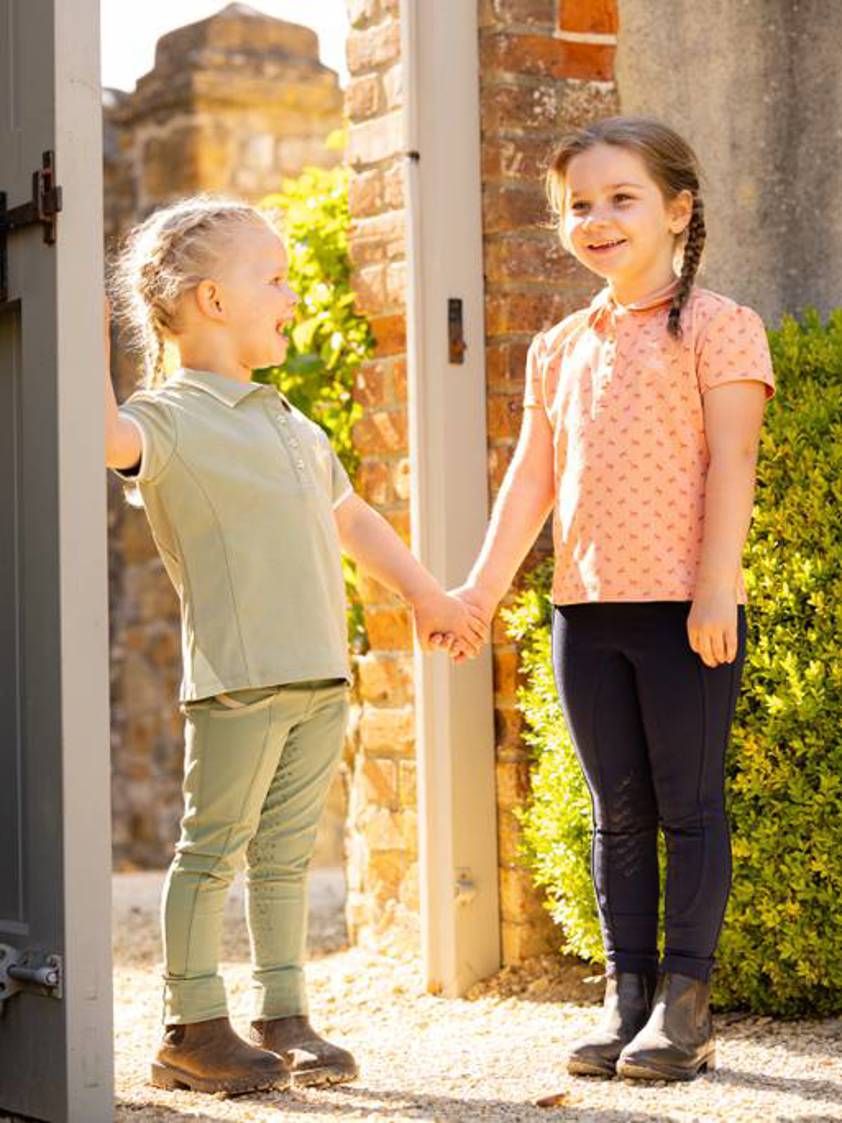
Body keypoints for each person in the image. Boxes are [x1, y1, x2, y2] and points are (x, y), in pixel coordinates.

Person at [104, 196, 485, 1096]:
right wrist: (72, 306)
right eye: (272, 278)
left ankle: (284, 1015)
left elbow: (351, 518)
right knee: (212, 849)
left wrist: (429, 593)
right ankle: (191, 1027)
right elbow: (104, 435)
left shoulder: (293, 422)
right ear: (210, 301)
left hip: (320, 675)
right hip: (238, 679)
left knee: (284, 855)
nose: (289, 293)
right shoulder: (162, 418)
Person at [439, 117, 776, 1082]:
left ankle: (685, 1002)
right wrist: (478, 590)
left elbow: (734, 464)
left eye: (620, 198)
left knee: (688, 805)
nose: (596, 219)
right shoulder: (558, 346)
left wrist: (717, 586)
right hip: (585, 613)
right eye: (577, 205)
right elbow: (530, 482)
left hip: (685, 611)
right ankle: (624, 993)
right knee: (613, 808)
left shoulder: (722, 325)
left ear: (678, 209)